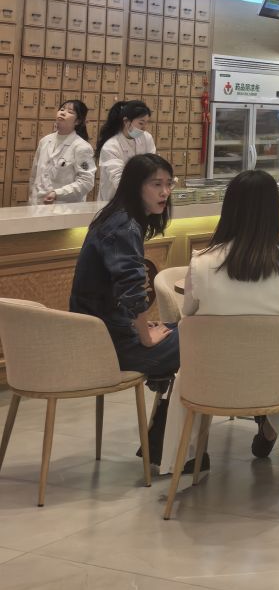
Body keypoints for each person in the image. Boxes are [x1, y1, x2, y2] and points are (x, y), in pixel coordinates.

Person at [182, 169, 279, 460]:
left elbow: (188, 315)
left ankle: (191, 451)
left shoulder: (201, 263)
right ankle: (273, 424)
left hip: (212, 381)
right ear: (274, 210)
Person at [69, 152, 177, 465]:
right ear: (135, 186)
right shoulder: (124, 227)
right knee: (202, 341)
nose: (165, 192)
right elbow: (132, 291)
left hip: (103, 332)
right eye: (156, 184)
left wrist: (138, 326)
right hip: (108, 346)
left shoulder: (116, 217)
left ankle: (166, 444)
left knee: (185, 333)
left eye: (169, 184)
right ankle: (172, 448)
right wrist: (144, 336)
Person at [29, 100, 96, 204]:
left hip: (65, 207)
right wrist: (32, 198)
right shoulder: (45, 141)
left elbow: (86, 182)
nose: (63, 113)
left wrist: (57, 193)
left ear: (77, 121)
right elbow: (34, 174)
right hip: (37, 204)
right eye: (62, 109)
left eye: (70, 112)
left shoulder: (82, 147)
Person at [96, 99, 156, 202]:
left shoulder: (146, 138)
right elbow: (119, 181)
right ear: (126, 121)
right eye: (141, 123)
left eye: (146, 123)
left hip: (141, 199)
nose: (144, 128)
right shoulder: (111, 146)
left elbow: (153, 166)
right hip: (114, 201)